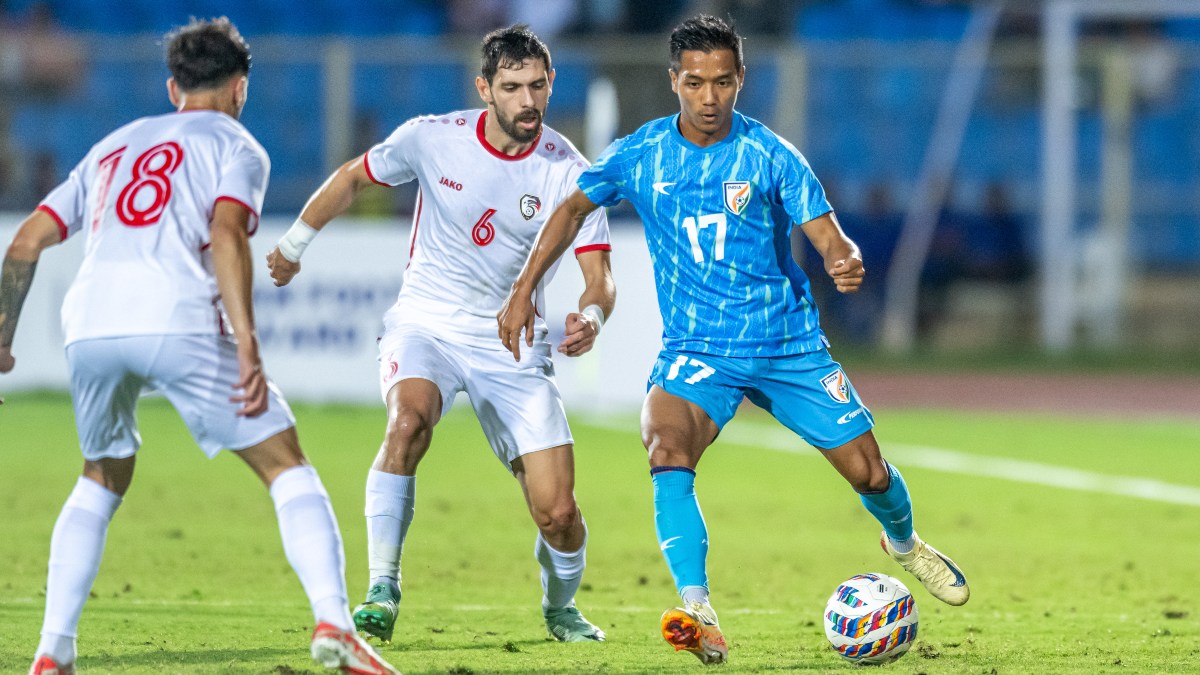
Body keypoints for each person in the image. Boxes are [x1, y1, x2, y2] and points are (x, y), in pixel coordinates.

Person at [498, 14, 970, 666]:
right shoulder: (642, 153)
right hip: (698, 350)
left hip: (786, 345)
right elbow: (572, 208)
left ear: (741, 78)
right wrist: (526, 287)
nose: (710, 97)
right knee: (664, 445)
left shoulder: (771, 155)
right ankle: (700, 611)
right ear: (674, 82)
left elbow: (825, 229)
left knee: (868, 469)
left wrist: (842, 256)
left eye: (723, 81)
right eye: (695, 83)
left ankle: (904, 541)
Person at [0, 18, 398, 675]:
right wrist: (247, 342)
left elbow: (25, 242)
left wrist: (4, 333)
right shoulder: (238, 147)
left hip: (90, 324)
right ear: (241, 87)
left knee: (102, 470)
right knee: (285, 461)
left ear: (171, 87)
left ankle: (52, 651)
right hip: (175, 314)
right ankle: (335, 621)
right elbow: (224, 233)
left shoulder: (111, 146)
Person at [266, 25, 614, 646]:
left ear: (551, 83)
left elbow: (599, 277)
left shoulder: (570, 173)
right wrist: (294, 245)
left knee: (558, 514)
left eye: (537, 85)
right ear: (485, 89)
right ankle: (381, 584)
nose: (527, 100)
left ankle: (560, 607)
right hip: (426, 321)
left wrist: (592, 316)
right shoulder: (432, 139)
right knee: (408, 423)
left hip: (512, 343)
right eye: (511, 87)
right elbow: (352, 176)